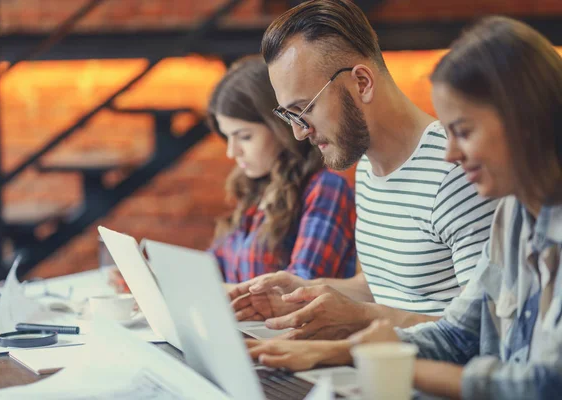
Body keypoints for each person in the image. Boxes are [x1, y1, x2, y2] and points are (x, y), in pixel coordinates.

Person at [247, 16, 562, 399]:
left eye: (463, 131)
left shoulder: (472, 187)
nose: (451, 153)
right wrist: (330, 349)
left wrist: (369, 347)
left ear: (522, 123)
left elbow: (541, 384)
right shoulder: (514, 217)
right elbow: (460, 330)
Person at [229, 0, 498, 339]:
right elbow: (383, 288)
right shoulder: (369, 169)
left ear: (362, 83)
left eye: (304, 109)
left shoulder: (458, 172)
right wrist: (303, 293)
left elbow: (485, 330)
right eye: (289, 115)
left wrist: (364, 319)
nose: (299, 131)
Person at [110, 55, 358, 291]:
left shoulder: (325, 188)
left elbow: (299, 289)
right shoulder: (258, 189)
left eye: (245, 136)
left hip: (293, 335)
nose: (232, 152)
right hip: (249, 332)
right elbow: (214, 267)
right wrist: (153, 276)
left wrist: (187, 288)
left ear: (282, 128)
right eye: (228, 137)